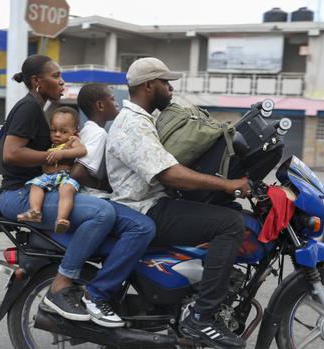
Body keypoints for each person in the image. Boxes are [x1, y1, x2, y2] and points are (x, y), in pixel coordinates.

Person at [106, 57, 248, 349]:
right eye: (165, 82)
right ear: (148, 85)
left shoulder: (145, 119)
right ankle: (202, 317)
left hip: (152, 202)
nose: (170, 88)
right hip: (145, 208)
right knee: (231, 224)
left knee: (229, 211)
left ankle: (197, 293)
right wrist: (228, 185)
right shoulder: (132, 124)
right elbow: (171, 175)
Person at [0, 55, 116, 322]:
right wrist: (53, 156)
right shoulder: (29, 108)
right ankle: (60, 286)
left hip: (30, 191)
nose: (62, 81)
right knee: (102, 213)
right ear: (37, 82)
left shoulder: (37, 109)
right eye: (55, 76)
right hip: (19, 195)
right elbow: (12, 153)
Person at [68, 83, 155, 328]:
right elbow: (78, 173)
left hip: (88, 197)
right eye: (112, 100)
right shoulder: (99, 133)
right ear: (100, 105)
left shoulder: (90, 130)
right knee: (142, 228)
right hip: (93, 200)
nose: (117, 104)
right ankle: (98, 294)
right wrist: (107, 186)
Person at [16, 107, 87, 233]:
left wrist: (63, 154)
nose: (57, 134)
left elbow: (82, 151)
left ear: (74, 132)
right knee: (35, 186)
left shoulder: (72, 141)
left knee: (66, 192)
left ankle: (61, 219)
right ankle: (35, 211)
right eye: (53, 130)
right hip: (49, 177)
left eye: (63, 131)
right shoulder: (52, 144)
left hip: (65, 176)